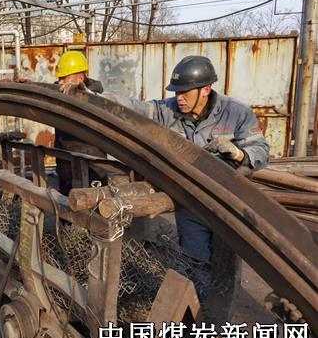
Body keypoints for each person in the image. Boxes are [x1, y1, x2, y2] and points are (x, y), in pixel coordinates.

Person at [105, 55, 269, 263]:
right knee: (195, 261)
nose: (179, 98)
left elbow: (261, 150)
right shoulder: (167, 110)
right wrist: (95, 97)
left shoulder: (236, 113)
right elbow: (135, 108)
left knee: (225, 263)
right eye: (176, 92)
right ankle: (199, 283)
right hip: (190, 204)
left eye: (184, 92)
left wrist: (239, 154)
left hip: (227, 203)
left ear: (206, 90)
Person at [53, 51, 107, 195]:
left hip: (92, 170)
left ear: (81, 78)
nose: (60, 82)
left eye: (64, 78)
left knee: (95, 207)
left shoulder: (97, 100)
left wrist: (84, 95)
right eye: (59, 78)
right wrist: (26, 84)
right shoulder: (59, 93)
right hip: (66, 171)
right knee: (65, 206)